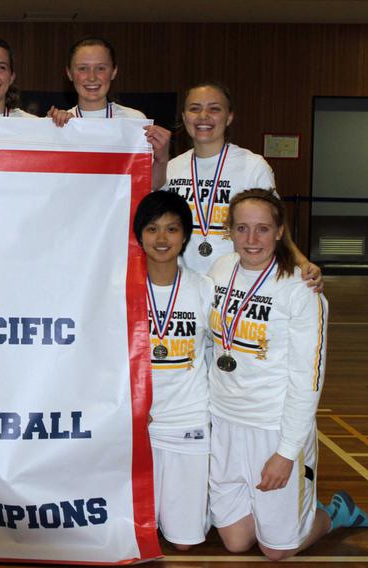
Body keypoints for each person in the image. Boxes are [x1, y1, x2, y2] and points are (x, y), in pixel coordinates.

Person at [207, 189, 368, 561]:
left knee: (277, 550)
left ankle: (333, 514)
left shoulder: (302, 290)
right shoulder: (220, 271)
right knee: (235, 540)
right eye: (242, 228)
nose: (252, 240)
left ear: (281, 231)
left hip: (274, 426)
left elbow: (307, 380)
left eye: (263, 229)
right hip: (225, 422)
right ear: (228, 230)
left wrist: (285, 452)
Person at [161, 82, 321, 289]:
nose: (203, 116)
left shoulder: (253, 166)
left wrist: (302, 261)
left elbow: (274, 223)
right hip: (184, 281)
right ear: (184, 117)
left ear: (229, 117)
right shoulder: (170, 168)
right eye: (195, 108)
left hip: (236, 282)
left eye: (214, 108)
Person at [134, 191, 212, 550]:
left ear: (185, 235)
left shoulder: (204, 288)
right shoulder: (123, 290)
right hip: (138, 425)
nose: (162, 239)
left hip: (187, 420)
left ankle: (207, 505)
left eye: (171, 229)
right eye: (152, 229)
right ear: (139, 234)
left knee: (183, 542)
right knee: (136, 534)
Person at [53, 36, 170, 189]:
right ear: (69, 73)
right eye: (82, 68)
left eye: (101, 68)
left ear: (114, 72)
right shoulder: (60, 124)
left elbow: (151, 185)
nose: (92, 77)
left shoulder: (134, 121)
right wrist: (52, 131)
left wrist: (162, 159)